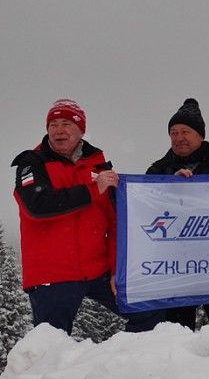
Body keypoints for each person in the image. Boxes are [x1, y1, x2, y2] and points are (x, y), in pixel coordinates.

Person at [12, 99, 162, 335]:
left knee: (150, 312)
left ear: (81, 130)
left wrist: (117, 270)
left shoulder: (99, 166)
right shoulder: (31, 163)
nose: (59, 130)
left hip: (97, 270)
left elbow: (116, 222)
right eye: (53, 125)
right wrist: (93, 190)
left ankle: (124, 358)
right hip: (53, 273)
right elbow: (37, 205)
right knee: (50, 346)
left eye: (66, 124)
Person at [146, 98, 209, 330]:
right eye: (174, 133)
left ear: (200, 136)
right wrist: (168, 185)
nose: (179, 138)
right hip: (175, 263)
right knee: (176, 331)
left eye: (185, 132)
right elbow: (146, 205)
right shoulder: (158, 169)